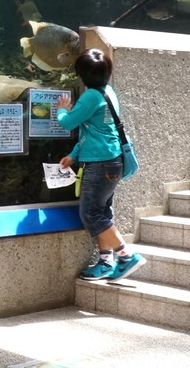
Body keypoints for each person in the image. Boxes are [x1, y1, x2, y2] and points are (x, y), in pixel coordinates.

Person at [57, 48, 145, 281]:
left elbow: (69, 123)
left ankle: (126, 256)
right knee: (102, 211)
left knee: (90, 212)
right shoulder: (108, 92)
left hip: (100, 164)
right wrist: (75, 154)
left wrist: (61, 111)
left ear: (82, 75)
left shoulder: (90, 96)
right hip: (111, 160)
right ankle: (106, 261)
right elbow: (95, 131)